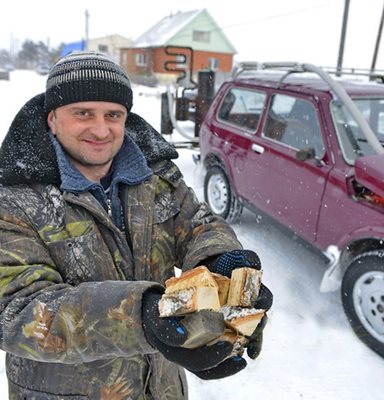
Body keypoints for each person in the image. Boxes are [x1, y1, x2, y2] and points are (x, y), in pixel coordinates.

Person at [0, 51, 273, 399]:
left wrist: (221, 265)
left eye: (113, 115)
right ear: (53, 119)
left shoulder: (156, 174)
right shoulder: (12, 199)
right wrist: (138, 315)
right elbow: (16, 311)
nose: (101, 130)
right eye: (83, 113)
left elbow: (197, 224)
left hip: (161, 386)